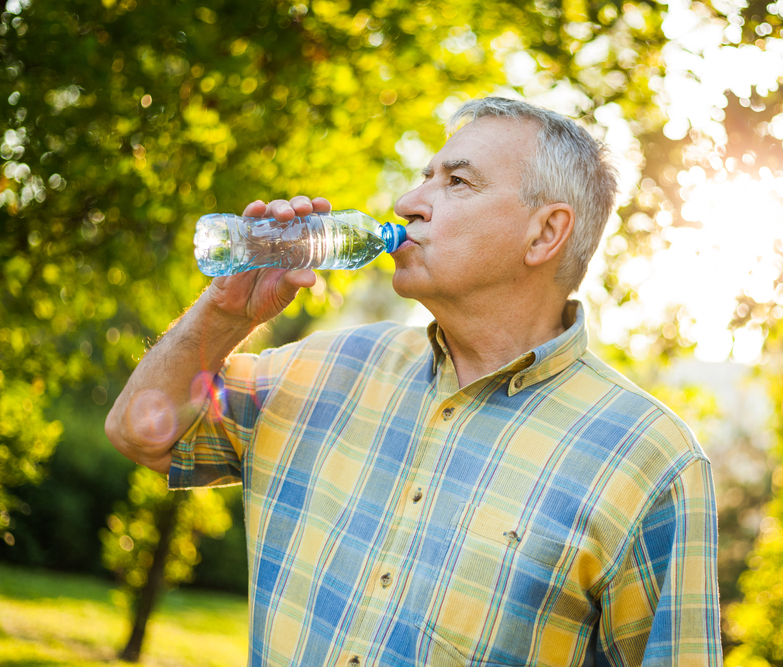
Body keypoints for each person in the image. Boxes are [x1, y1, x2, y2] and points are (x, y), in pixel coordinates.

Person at [106, 97, 721, 666]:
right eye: (425, 176)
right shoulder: (324, 366)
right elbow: (140, 434)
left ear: (544, 233)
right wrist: (224, 315)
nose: (407, 202)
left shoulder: (650, 461)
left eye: (456, 182)